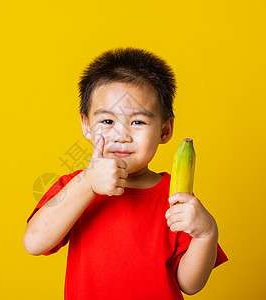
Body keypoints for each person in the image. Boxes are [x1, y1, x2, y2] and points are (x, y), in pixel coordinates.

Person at [24, 47, 228, 300]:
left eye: (138, 122)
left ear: (165, 130)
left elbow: (189, 284)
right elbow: (34, 243)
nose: (122, 136)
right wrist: (87, 182)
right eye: (108, 122)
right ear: (87, 126)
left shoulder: (175, 194)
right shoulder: (76, 185)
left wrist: (206, 234)